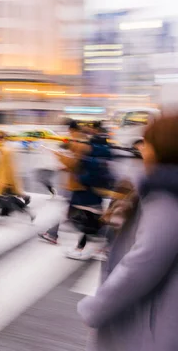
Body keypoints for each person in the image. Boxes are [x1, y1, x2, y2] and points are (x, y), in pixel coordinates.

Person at [78, 114, 178, 351]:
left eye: (147, 142)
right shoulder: (158, 190)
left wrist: (96, 308)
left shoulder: (165, 198)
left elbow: (143, 263)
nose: (141, 148)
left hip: (147, 327)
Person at [38, 120, 102, 259]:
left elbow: (75, 163)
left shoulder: (80, 143)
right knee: (78, 214)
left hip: (80, 186)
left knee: (85, 217)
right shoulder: (81, 142)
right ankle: (54, 234)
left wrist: (56, 154)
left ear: (72, 129)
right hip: (79, 185)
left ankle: (97, 243)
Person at [0, 130, 32, 219]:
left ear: (1, 139)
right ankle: (5, 212)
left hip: (3, 181)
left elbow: (9, 169)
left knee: (7, 198)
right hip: (0, 180)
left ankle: (27, 211)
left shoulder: (5, 150)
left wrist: (9, 182)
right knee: (5, 197)